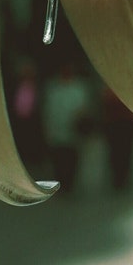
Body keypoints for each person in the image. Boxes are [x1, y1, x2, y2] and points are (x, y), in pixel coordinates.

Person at [41, 61, 93, 195]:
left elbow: (84, 109)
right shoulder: (53, 88)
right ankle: (60, 183)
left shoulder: (79, 88)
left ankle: (69, 184)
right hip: (56, 131)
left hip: (73, 133)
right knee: (58, 159)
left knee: (71, 160)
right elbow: (48, 110)